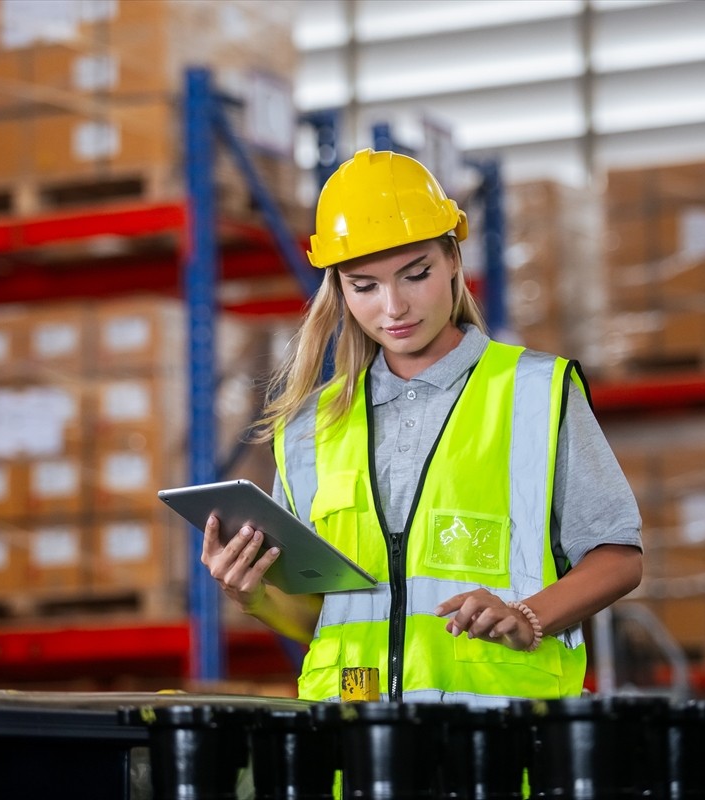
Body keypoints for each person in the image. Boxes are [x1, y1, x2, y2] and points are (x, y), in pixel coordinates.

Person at [200, 148, 642, 704]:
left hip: (495, 744)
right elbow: (327, 619)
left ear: (454, 259)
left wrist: (528, 615)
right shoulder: (311, 427)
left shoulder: (535, 392)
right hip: (357, 751)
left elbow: (618, 554)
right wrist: (252, 594)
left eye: (416, 274)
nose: (394, 307)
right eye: (364, 286)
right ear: (337, 288)